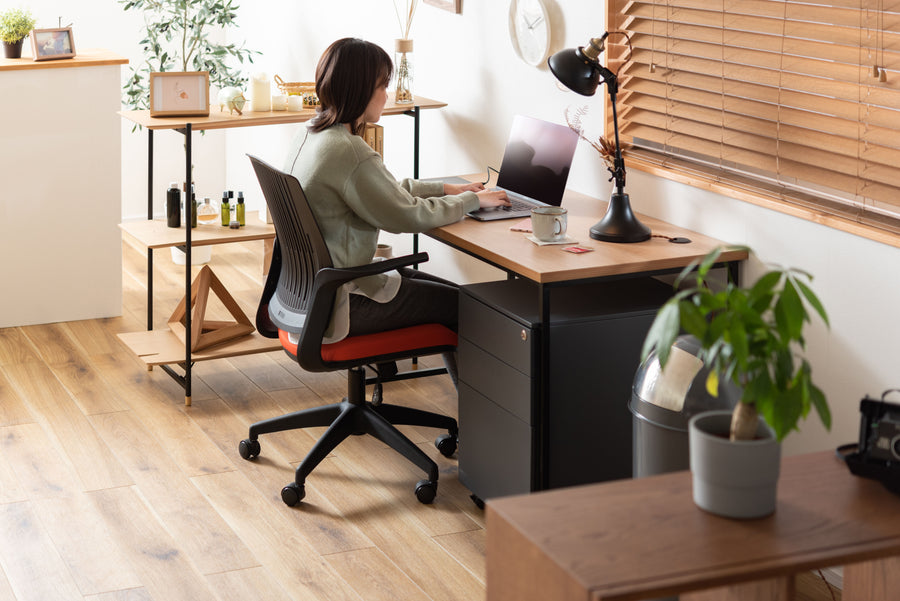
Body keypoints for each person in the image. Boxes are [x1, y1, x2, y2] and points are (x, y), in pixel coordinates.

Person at [284, 37, 509, 386]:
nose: (386, 94)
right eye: (382, 85)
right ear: (361, 90)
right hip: (343, 304)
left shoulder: (313, 136)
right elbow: (406, 216)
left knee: (453, 295)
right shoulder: (349, 152)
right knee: (467, 309)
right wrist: (472, 202)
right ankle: (484, 424)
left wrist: (446, 188)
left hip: (312, 294)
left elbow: (378, 192)